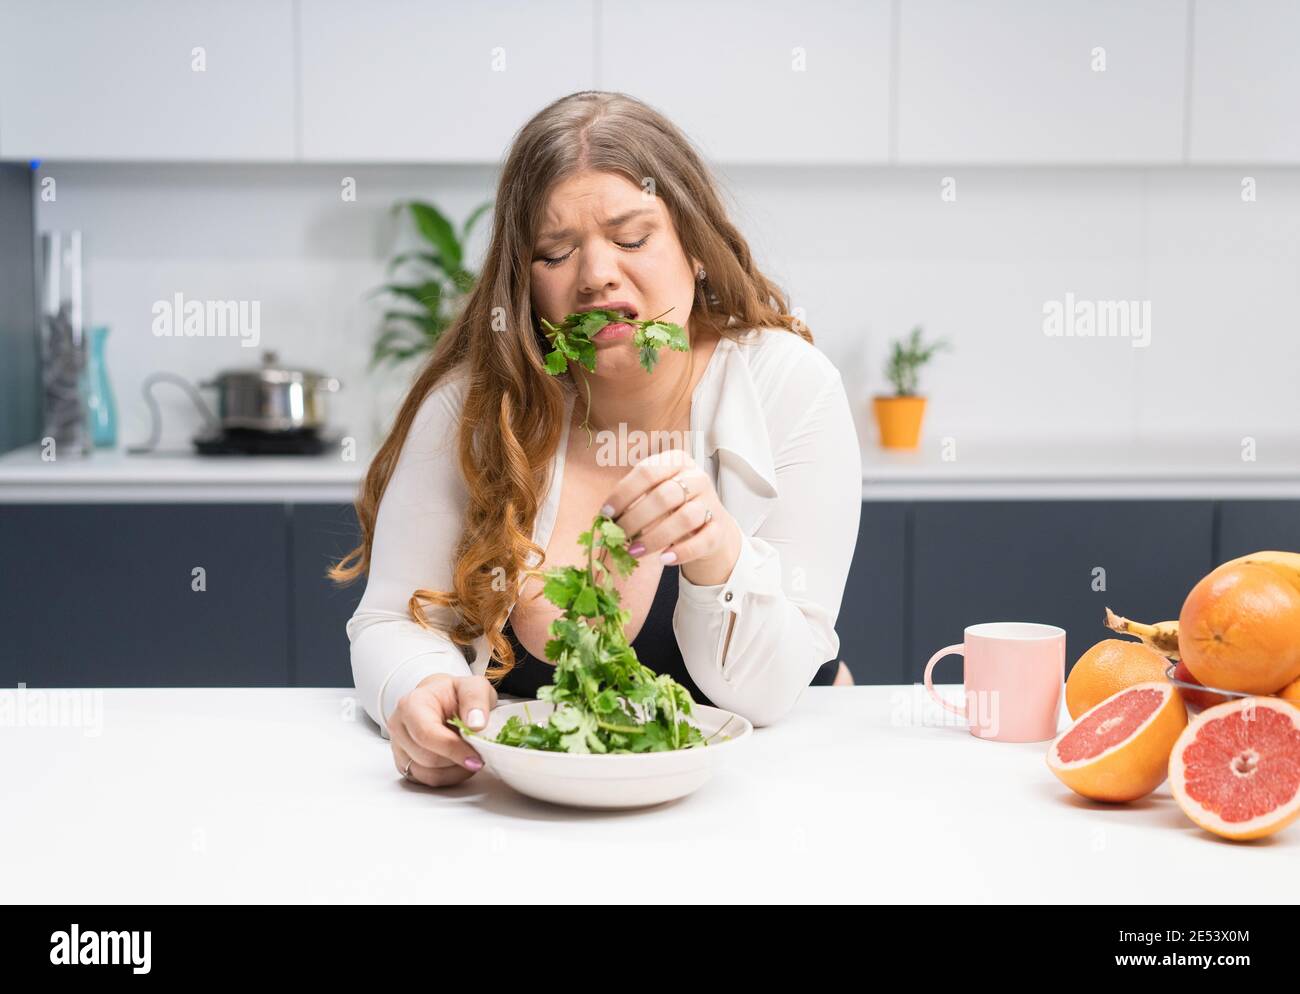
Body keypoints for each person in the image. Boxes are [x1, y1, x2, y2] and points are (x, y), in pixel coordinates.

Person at [332, 91, 862, 788]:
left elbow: (766, 693)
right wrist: (417, 686)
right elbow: (392, 620)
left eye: (633, 238)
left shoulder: (790, 388)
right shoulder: (475, 407)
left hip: (779, 791)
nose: (596, 274)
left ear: (696, 249)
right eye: (555, 252)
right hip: (534, 814)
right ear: (523, 282)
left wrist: (718, 552)